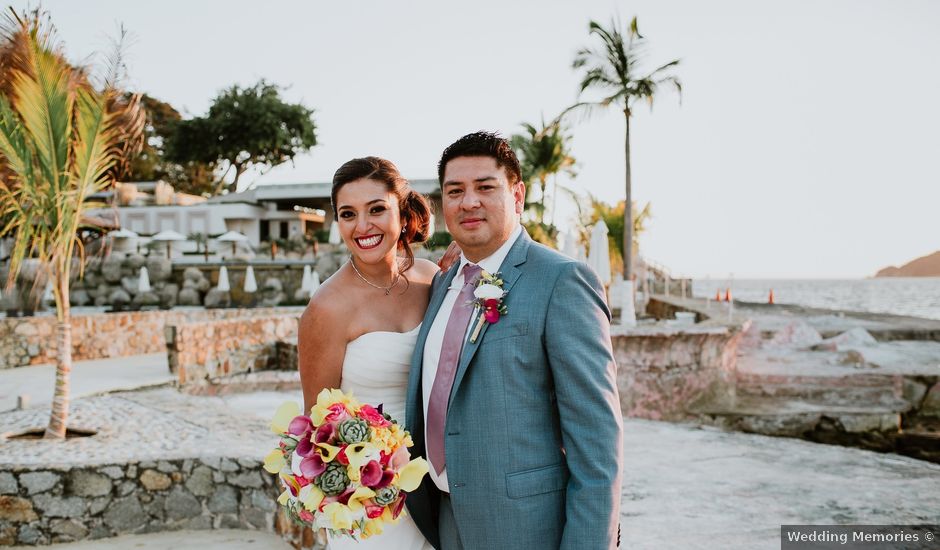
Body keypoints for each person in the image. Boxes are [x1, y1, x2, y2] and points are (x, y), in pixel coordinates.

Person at [404, 131, 623, 549]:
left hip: (527, 528)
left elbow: (597, 447)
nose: (469, 202)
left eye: (485, 187)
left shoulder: (562, 281)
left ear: (518, 195)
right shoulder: (441, 285)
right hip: (445, 521)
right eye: (455, 191)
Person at [298, 156, 441, 550]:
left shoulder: (432, 279)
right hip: (374, 501)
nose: (362, 227)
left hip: (439, 487)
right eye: (348, 214)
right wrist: (364, 488)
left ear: (401, 209)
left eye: (376, 209)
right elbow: (319, 426)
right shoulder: (327, 308)